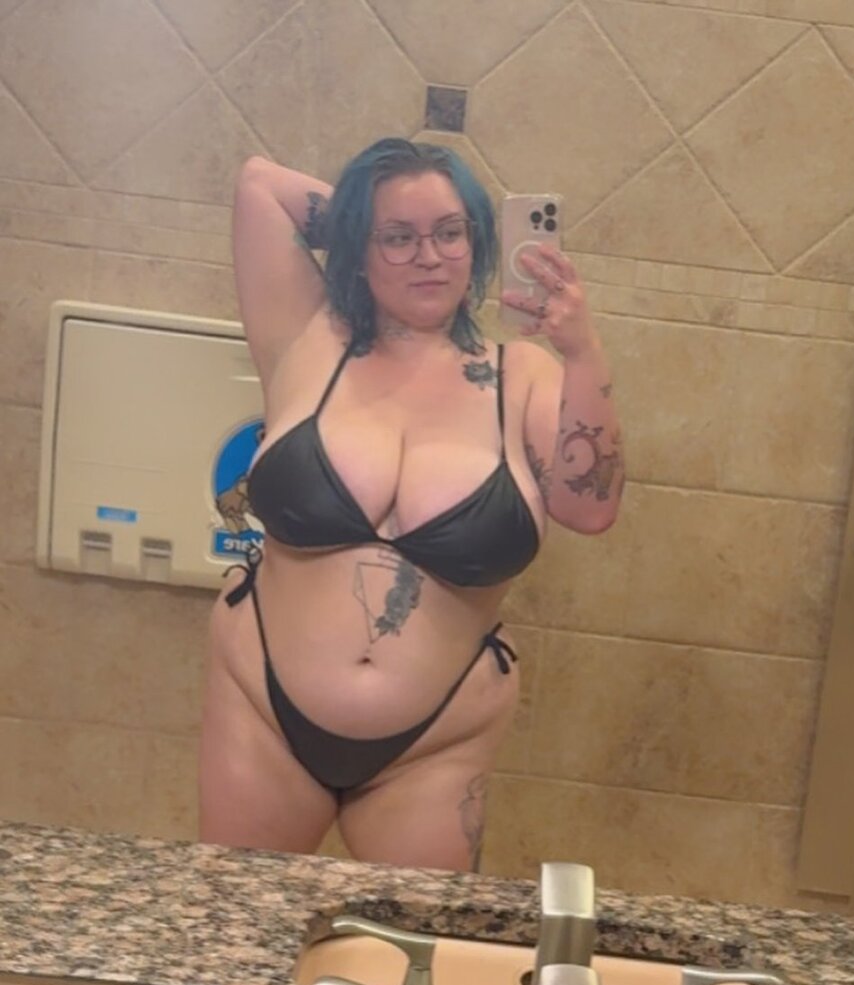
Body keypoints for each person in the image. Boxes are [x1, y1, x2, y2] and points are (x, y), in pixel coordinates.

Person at [198, 137, 624, 871]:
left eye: (451, 232)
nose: (429, 256)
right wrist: (364, 219)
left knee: (415, 942)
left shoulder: (524, 375)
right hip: (262, 708)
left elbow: (590, 509)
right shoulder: (309, 338)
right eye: (398, 238)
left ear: (477, 243)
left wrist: (583, 353)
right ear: (360, 251)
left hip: (436, 746)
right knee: (236, 928)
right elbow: (259, 186)